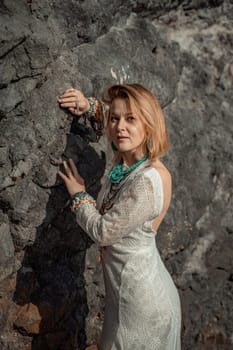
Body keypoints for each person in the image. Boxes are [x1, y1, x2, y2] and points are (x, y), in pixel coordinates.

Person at [58, 84, 181, 350]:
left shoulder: (147, 181)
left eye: (131, 119)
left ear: (148, 124)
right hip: (126, 292)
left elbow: (103, 231)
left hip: (141, 306)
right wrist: (89, 107)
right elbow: (119, 123)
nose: (119, 127)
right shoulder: (131, 160)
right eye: (114, 118)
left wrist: (79, 196)